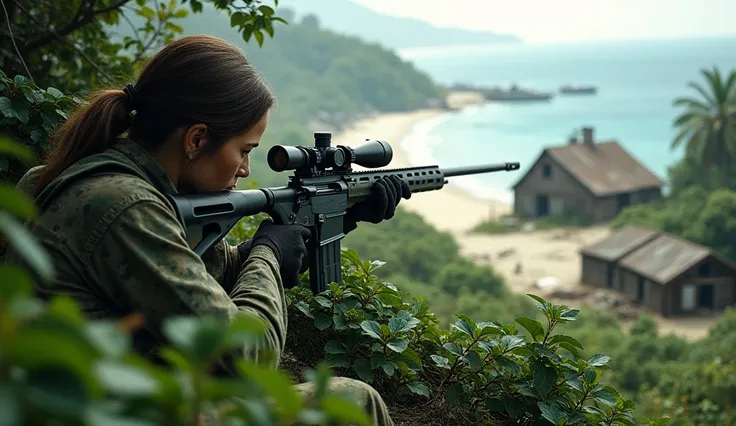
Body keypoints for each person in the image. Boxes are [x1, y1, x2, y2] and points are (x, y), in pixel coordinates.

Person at [6, 34, 412, 426]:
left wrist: (337, 219)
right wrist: (268, 256)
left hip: (80, 396)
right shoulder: (126, 207)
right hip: (106, 410)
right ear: (197, 139)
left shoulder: (94, 178)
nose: (245, 170)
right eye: (244, 151)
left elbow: (186, 277)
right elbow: (249, 359)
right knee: (356, 401)